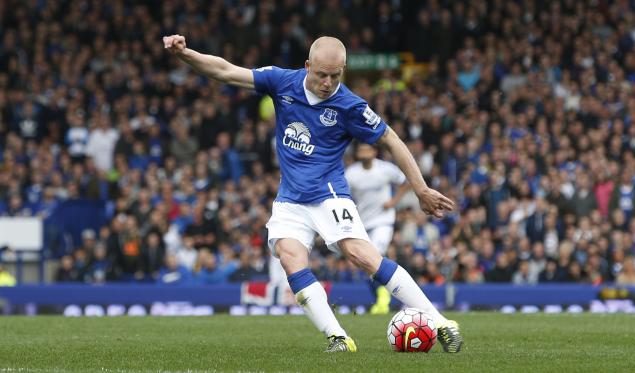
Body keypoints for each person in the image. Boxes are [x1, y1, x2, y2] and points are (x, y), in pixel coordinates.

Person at [163, 34, 462, 353]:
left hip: (329, 195)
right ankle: (339, 338)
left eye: (336, 75)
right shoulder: (282, 82)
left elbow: (391, 140)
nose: (328, 82)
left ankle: (442, 322)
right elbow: (226, 70)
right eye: (321, 74)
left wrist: (420, 188)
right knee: (291, 259)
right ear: (307, 66)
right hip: (290, 199)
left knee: (361, 255)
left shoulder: (350, 106)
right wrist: (186, 54)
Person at [345, 142, 410, 314]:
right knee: (365, 262)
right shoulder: (351, 173)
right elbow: (343, 195)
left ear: (374, 151)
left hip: (383, 221)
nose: (364, 152)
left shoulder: (386, 169)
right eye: (361, 149)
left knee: (375, 254)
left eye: (367, 149)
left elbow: (405, 182)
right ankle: (382, 295)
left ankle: (383, 296)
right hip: (362, 223)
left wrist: (394, 202)